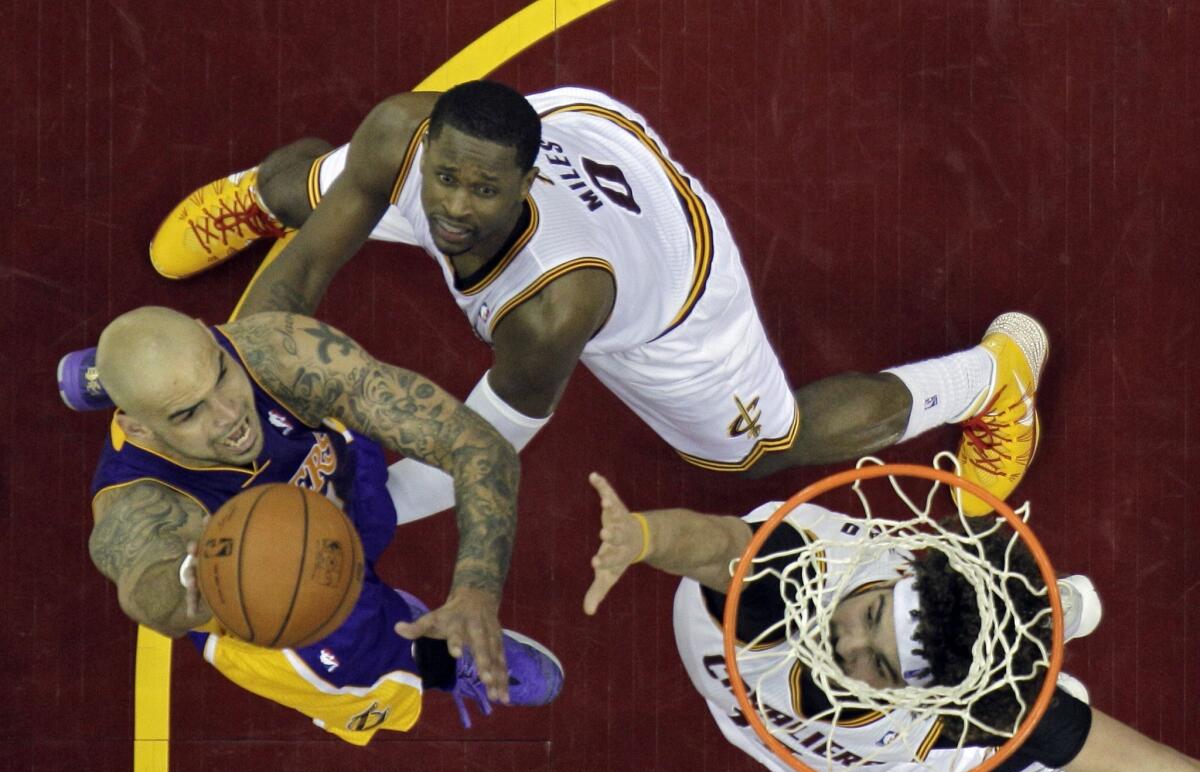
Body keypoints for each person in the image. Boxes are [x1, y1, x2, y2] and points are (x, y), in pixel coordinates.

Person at [62, 81, 1043, 518]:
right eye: (443, 177)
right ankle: (247, 192)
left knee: (759, 446)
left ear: (522, 187)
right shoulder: (411, 137)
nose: (451, 209)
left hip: (670, 279)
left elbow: (484, 441)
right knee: (321, 188)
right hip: (577, 124)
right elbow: (313, 265)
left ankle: (988, 379)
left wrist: (361, 510)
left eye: (482, 191)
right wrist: (238, 358)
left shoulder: (555, 309)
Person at [582, 471, 1200, 772]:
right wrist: (644, 539)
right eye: (872, 615)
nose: (845, 647)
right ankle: (1035, 610)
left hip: (909, 732)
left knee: (1004, 771)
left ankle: (1031, 643)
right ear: (903, 574)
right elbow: (717, 545)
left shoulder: (974, 709)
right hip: (754, 678)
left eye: (880, 664)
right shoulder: (790, 585)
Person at [87, 305, 563, 744]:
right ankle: (435, 662)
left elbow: (480, 449)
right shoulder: (139, 502)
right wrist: (200, 575)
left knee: (365, 478)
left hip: (344, 496)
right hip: (271, 594)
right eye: (189, 413)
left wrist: (476, 593)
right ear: (139, 429)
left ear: (212, 339)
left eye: (220, 377)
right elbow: (146, 593)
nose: (230, 415)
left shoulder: (274, 351)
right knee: (329, 651)